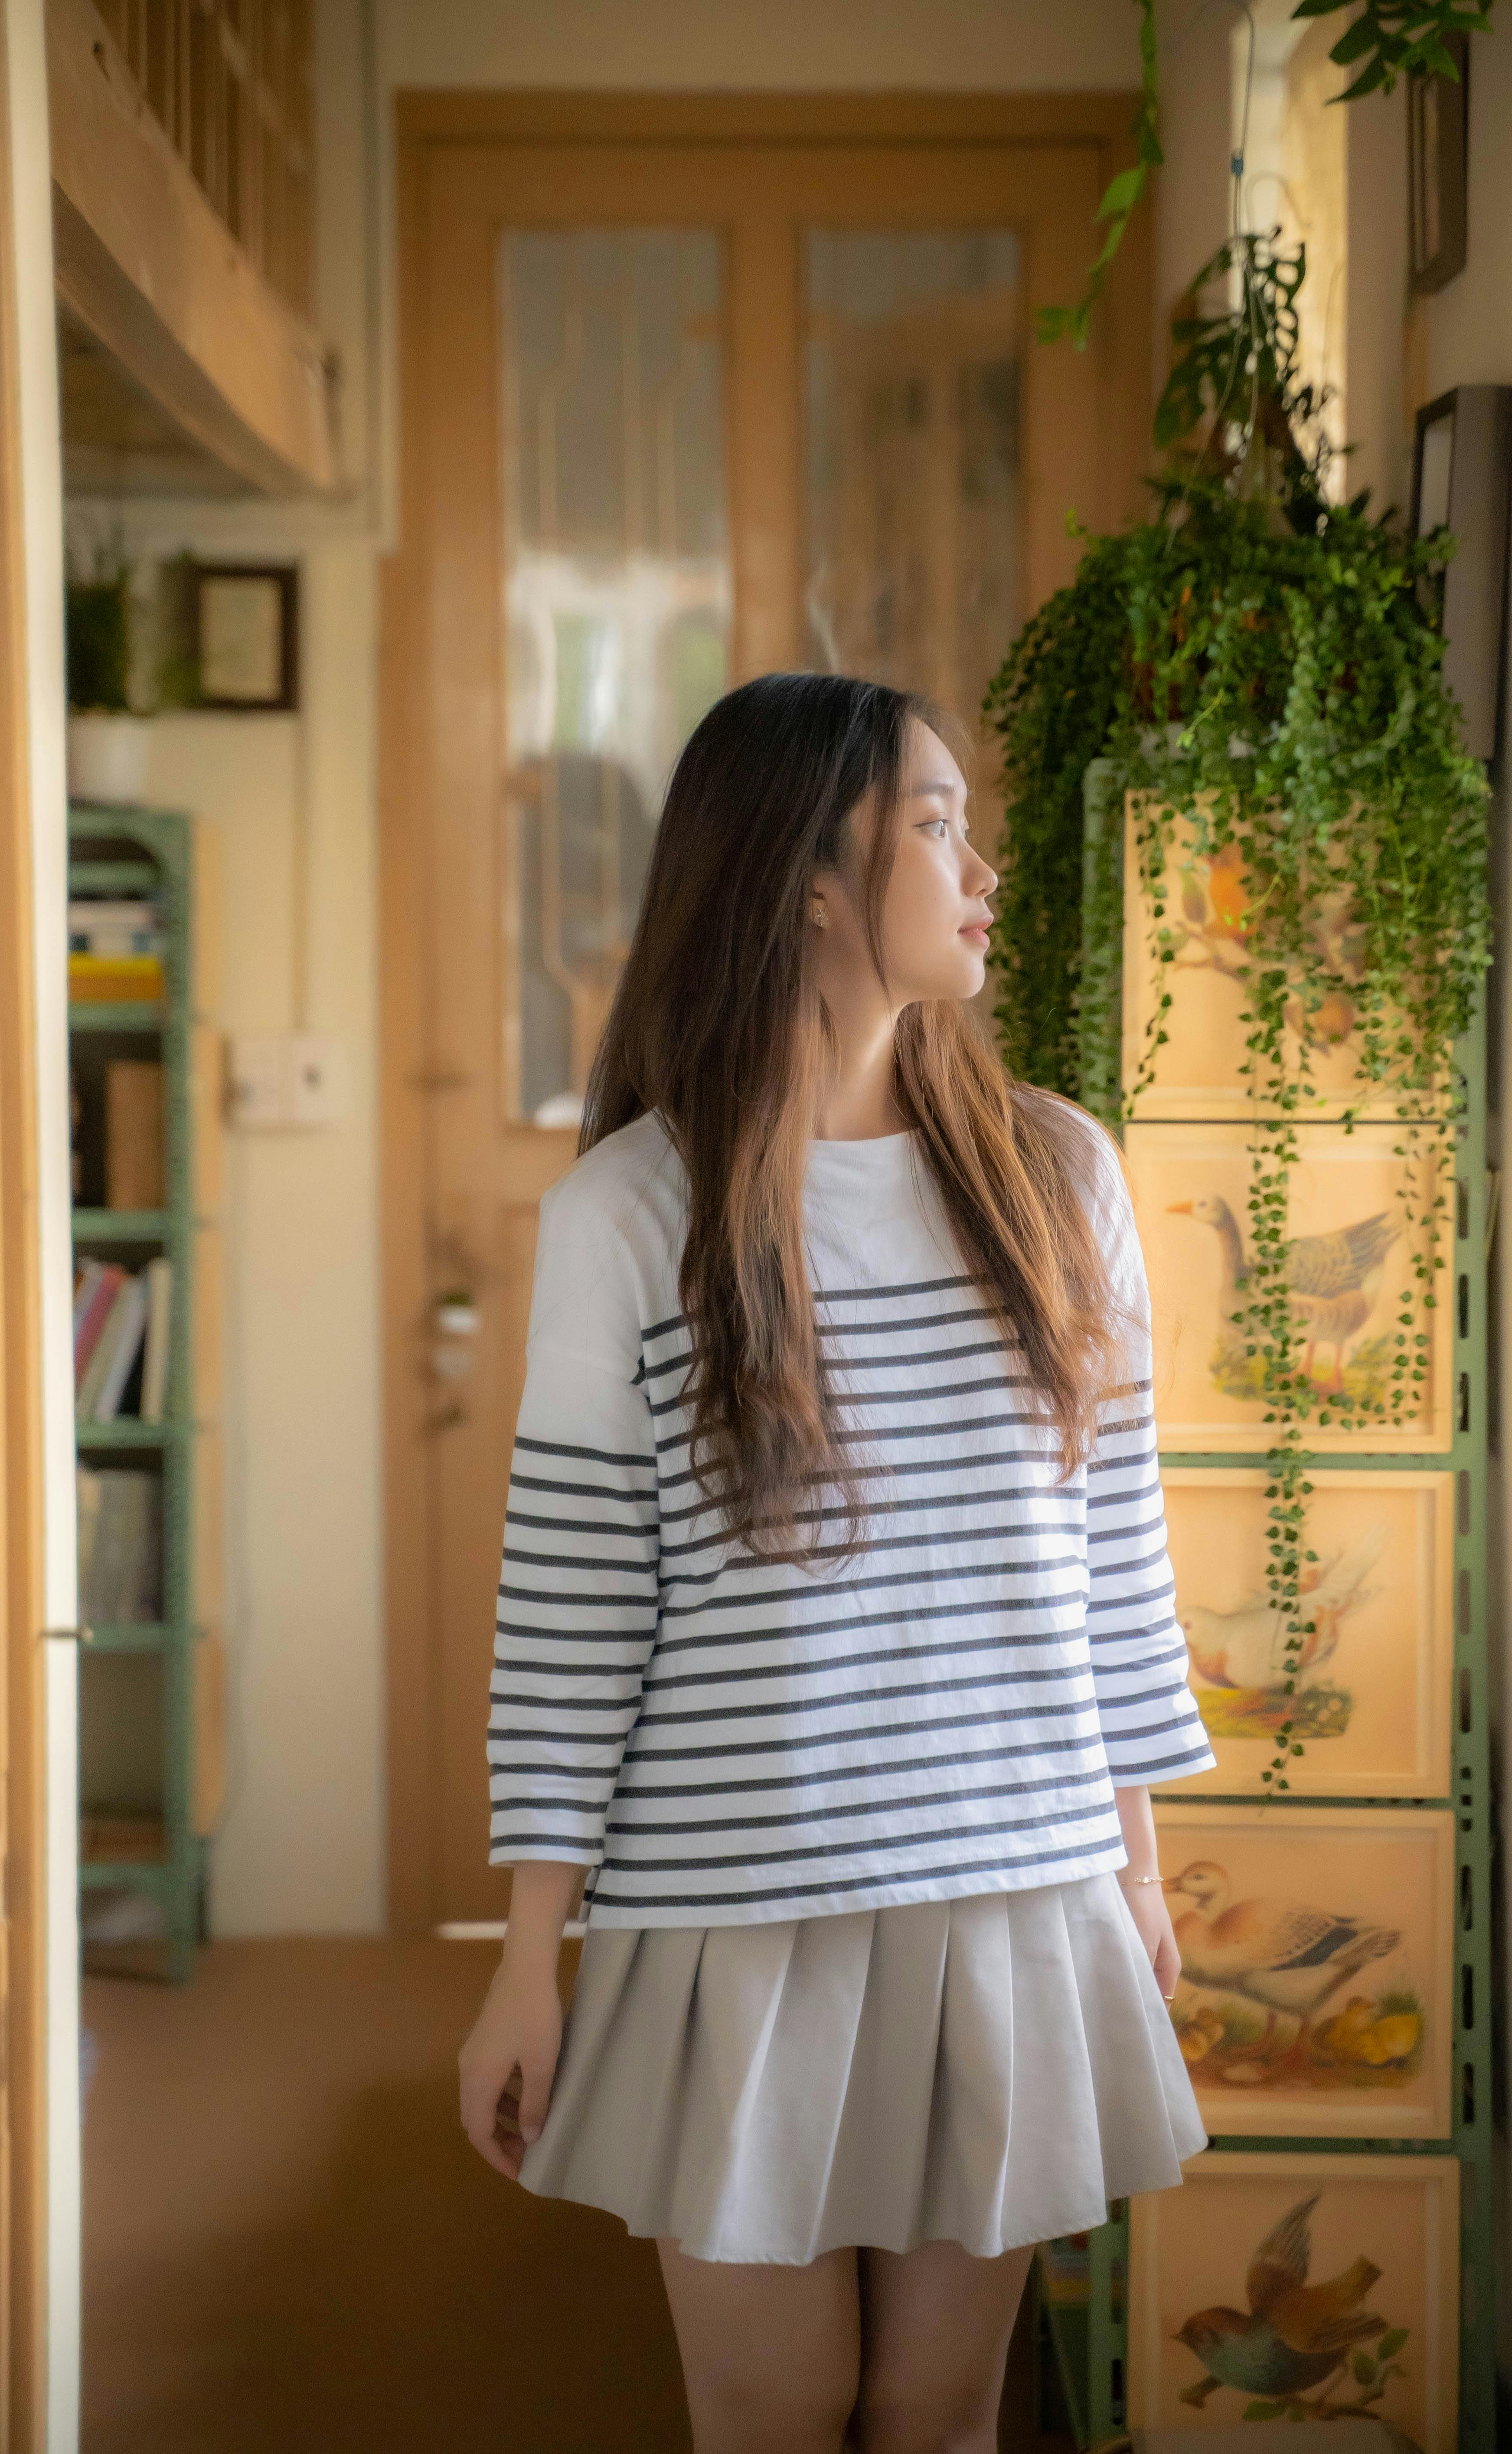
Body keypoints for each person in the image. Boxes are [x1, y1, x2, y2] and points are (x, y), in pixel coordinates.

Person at [459, 673, 1215, 2454]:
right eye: (936, 821)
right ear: (809, 874)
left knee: (939, 2407)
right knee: (773, 2408)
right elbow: (574, 1606)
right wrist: (522, 1956)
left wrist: (1137, 1866)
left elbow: (1112, 1553)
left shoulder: (1057, 1173)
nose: (980, 863)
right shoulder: (633, 1211)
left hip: (1015, 1892)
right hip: (733, 1914)